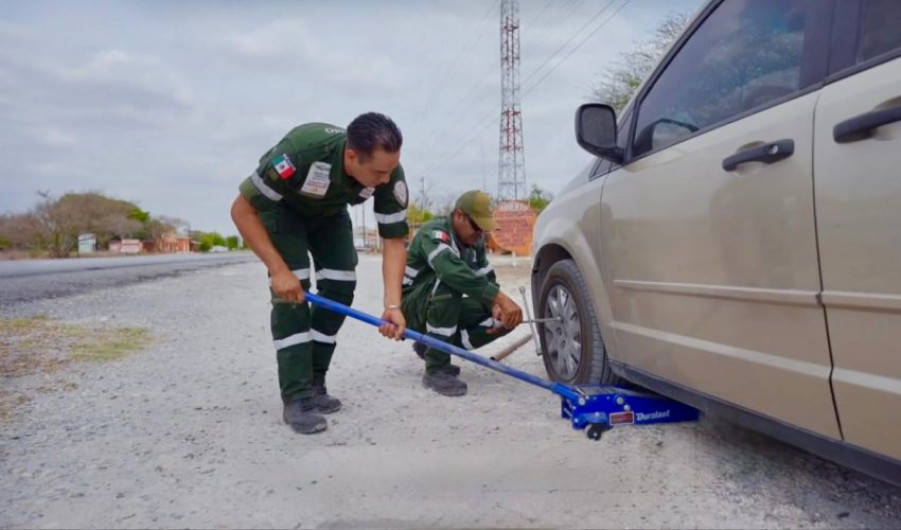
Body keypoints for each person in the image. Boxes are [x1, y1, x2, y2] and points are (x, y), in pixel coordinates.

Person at [230, 112, 408, 434]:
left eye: (390, 170)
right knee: (293, 291)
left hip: (329, 214)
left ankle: (314, 381)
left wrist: (393, 306)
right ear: (351, 156)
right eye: (379, 172)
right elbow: (242, 211)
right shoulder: (300, 153)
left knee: (341, 285)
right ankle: (296, 396)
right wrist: (278, 270)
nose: (386, 179)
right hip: (282, 210)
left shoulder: (387, 170)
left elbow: (394, 240)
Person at [401, 190, 523, 396]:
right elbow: (451, 271)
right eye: (477, 227)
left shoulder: (474, 243)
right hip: (411, 309)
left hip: (435, 307)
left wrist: (496, 307)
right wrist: (500, 297)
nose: (479, 235)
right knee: (451, 281)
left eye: (484, 230)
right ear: (459, 215)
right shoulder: (433, 234)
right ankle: (436, 369)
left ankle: (433, 349)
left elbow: (486, 279)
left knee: (506, 317)